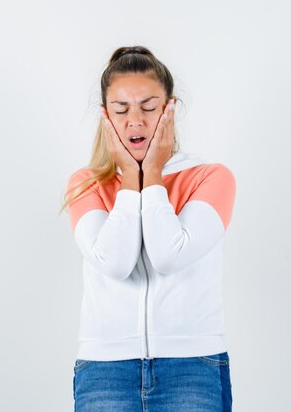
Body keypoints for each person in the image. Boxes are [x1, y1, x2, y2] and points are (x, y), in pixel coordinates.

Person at [61, 45, 237, 411]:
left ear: (170, 109)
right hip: (105, 371)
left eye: (148, 107)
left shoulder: (211, 178)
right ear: (106, 117)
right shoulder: (86, 185)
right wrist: (129, 179)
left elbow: (168, 255)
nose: (135, 121)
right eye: (121, 110)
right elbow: (116, 262)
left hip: (193, 367)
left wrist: (152, 173)